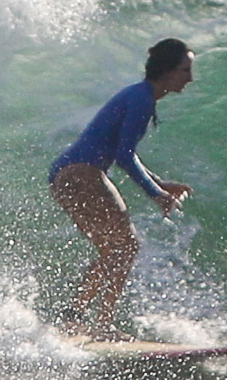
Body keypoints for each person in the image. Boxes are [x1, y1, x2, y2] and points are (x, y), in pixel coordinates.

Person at [49, 39, 196, 340]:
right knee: (125, 246)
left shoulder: (141, 96)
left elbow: (123, 151)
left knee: (115, 249)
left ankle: (73, 319)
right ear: (166, 71)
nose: (190, 78)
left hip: (67, 176)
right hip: (81, 174)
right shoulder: (141, 99)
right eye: (185, 70)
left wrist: (159, 183)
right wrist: (155, 194)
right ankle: (102, 326)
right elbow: (124, 156)